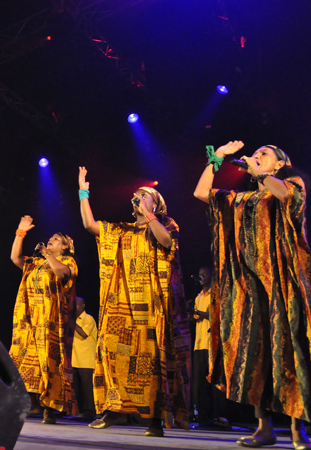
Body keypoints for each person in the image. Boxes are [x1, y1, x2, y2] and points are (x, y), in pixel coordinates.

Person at [194, 142, 311, 449]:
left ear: (280, 164)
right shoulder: (241, 198)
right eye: (254, 154)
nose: (256, 156)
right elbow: (202, 193)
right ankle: (264, 428)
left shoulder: (290, 185)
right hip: (249, 289)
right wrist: (215, 160)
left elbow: (286, 197)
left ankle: (298, 431)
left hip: (284, 285)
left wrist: (257, 172)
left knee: (291, 350)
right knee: (256, 356)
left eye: (264, 154)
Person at [78, 167, 190, 436]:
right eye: (135, 195)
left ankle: (155, 421)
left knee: (152, 360)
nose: (136, 198)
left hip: (152, 306)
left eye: (143, 194)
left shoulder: (167, 224)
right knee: (111, 351)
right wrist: (83, 190)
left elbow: (165, 242)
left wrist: (150, 216)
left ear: (156, 203)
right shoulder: (122, 230)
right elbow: (90, 226)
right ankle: (114, 409)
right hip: (122, 307)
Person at [9, 215, 78, 425]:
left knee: (49, 362)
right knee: (26, 360)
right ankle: (32, 403)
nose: (51, 240)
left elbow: (62, 274)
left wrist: (47, 254)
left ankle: (50, 407)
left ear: (65, 247)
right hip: (29, 319)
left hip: (51, 321)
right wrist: (20, 233)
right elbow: (15, 258)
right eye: (50, 238)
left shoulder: (67, 261)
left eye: (57, 239)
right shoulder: (35, 263)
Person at [190, 266, 228, 429]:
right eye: (200, 275)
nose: (202, 277)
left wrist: (201, 314)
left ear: (212, 277)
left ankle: (220, 417)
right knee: (200, 383)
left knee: (215, 382)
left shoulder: (215, 294)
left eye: (205, 274)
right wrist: (193, 316)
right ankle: (204, 417)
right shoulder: (199, 296)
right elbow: (198, 317)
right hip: (199, 344)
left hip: (212, 343)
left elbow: (219, 316)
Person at [72, 296, 98, 420]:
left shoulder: (88, 319)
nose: (74, 307)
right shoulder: (72, 320)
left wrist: (72, 322)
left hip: (86, 359)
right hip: (73, 359)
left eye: (76, 304)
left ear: (83, 306)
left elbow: (83, 334)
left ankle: (90, 412)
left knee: (87, 389)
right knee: (75, 388)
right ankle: (77, 411)